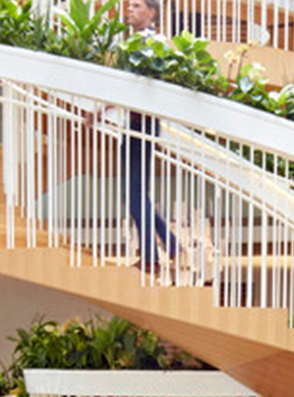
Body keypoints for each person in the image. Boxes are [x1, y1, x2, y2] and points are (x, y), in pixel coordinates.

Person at [119, 0, 177, 274]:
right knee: (135, 194)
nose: (129, 10)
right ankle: (171, 246)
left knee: (133, 196)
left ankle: (152, 257)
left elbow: (137, 87)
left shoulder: (151, 44)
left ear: (152, 12)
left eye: (136, 5)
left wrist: (104, 107)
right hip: (136, 124)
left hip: (141, 125)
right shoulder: (139, 43)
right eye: (129, 6)